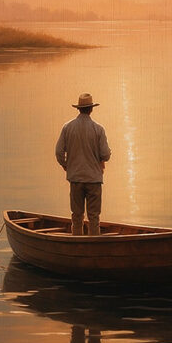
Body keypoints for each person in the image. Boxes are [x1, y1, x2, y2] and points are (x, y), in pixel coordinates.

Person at [55, 92, 111, 236]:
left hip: (76, 178)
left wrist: (66, 166)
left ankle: (77, 245)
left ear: (79, 109)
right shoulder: (98, 129)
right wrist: (101, 160)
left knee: (77, 216)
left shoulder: (68, 127)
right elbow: (105, 155)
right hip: (94, 179)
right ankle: (94, 247)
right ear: (91, 109)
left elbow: (59, 152)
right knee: (94, 217)